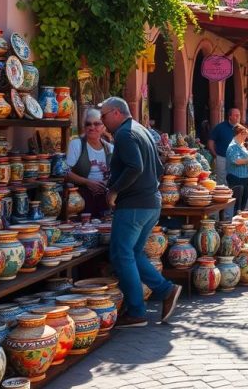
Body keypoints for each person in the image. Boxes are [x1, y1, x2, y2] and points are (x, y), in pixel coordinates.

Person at [99, 97, 181, 326]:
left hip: (134, 205)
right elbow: (159, 167)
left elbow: (136, 166)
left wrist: (114, 190)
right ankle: (165, 290)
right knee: (133, 254)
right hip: (150, 202)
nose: (102, 122)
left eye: (104, 116)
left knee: (121, 255)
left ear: (116, 113)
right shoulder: (142, 130)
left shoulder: (125, 134)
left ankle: (137, 311)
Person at [65, 107, 113, 218]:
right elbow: (66, 172)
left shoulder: (110, 148)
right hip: (82, 196)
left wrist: (107, 184)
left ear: (103, 127)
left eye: (96, 124)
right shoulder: (77, 144)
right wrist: (87, 182)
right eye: (88, 124)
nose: (92, 127)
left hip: (104, 195)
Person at [225, 124, 248, 214]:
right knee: (237, 204)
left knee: (243, 203)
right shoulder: (233, 146)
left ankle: (239, 224)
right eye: (245, 135)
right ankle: (234, 223)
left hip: (244, 177)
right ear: (240, 134)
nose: (246, 137)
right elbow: (236, 161)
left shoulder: (241, 145)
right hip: (236, 177)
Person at [207, 108, 241, 186]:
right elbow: (211, 141)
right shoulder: (220, 127)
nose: (238, 117)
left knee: (235, 179)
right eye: (236, 115)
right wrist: (215, 154)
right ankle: (222, 197)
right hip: (222, 158)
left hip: (236, 159)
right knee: (221, 180)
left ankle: (234, 197)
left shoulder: (241, 128)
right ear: (230, 117)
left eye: (239, 115)